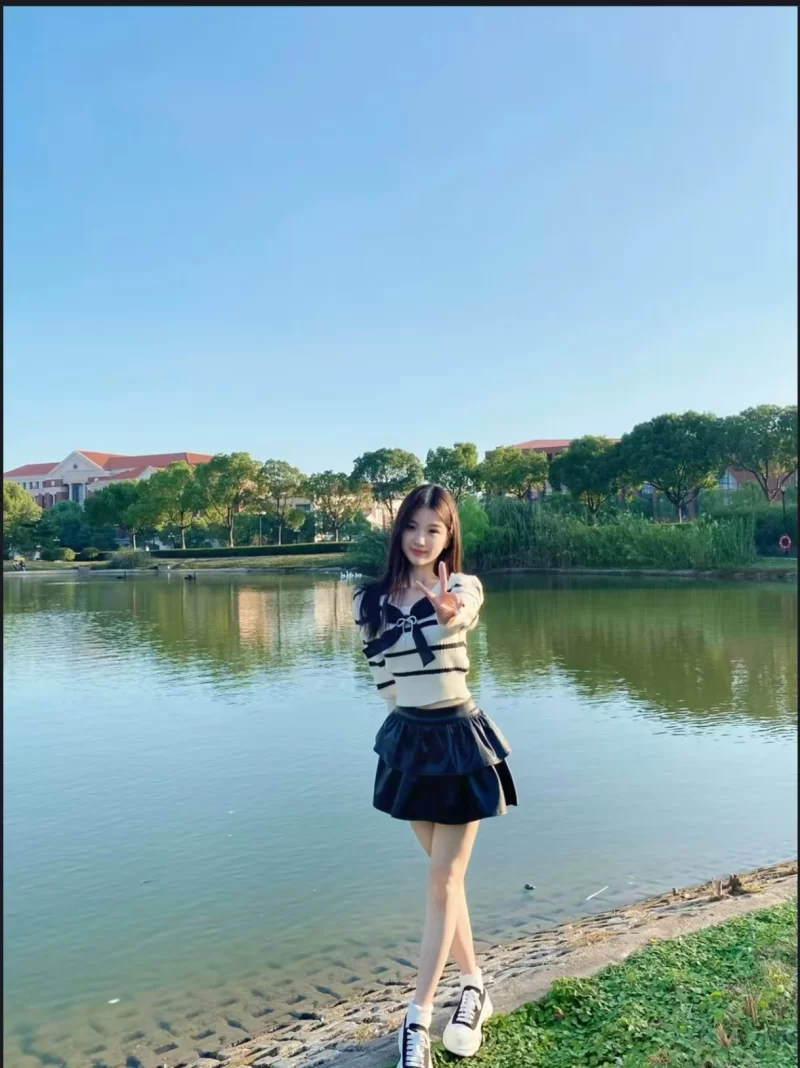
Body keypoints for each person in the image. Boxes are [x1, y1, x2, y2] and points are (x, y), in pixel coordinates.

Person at [352, 484, 517, 1068]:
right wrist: (405, 728)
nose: (421, 540)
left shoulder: (462, 586)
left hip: (459, 740)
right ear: (398, 530)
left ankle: (417, 1017)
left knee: (444, 878)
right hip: (410, 742)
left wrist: (450, 611)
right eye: (412, 527)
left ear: (449, 538)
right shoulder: (369, 601)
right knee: (447, 881)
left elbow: (461, 612)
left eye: (434, 530)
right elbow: (384, 680)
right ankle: (474, 986)